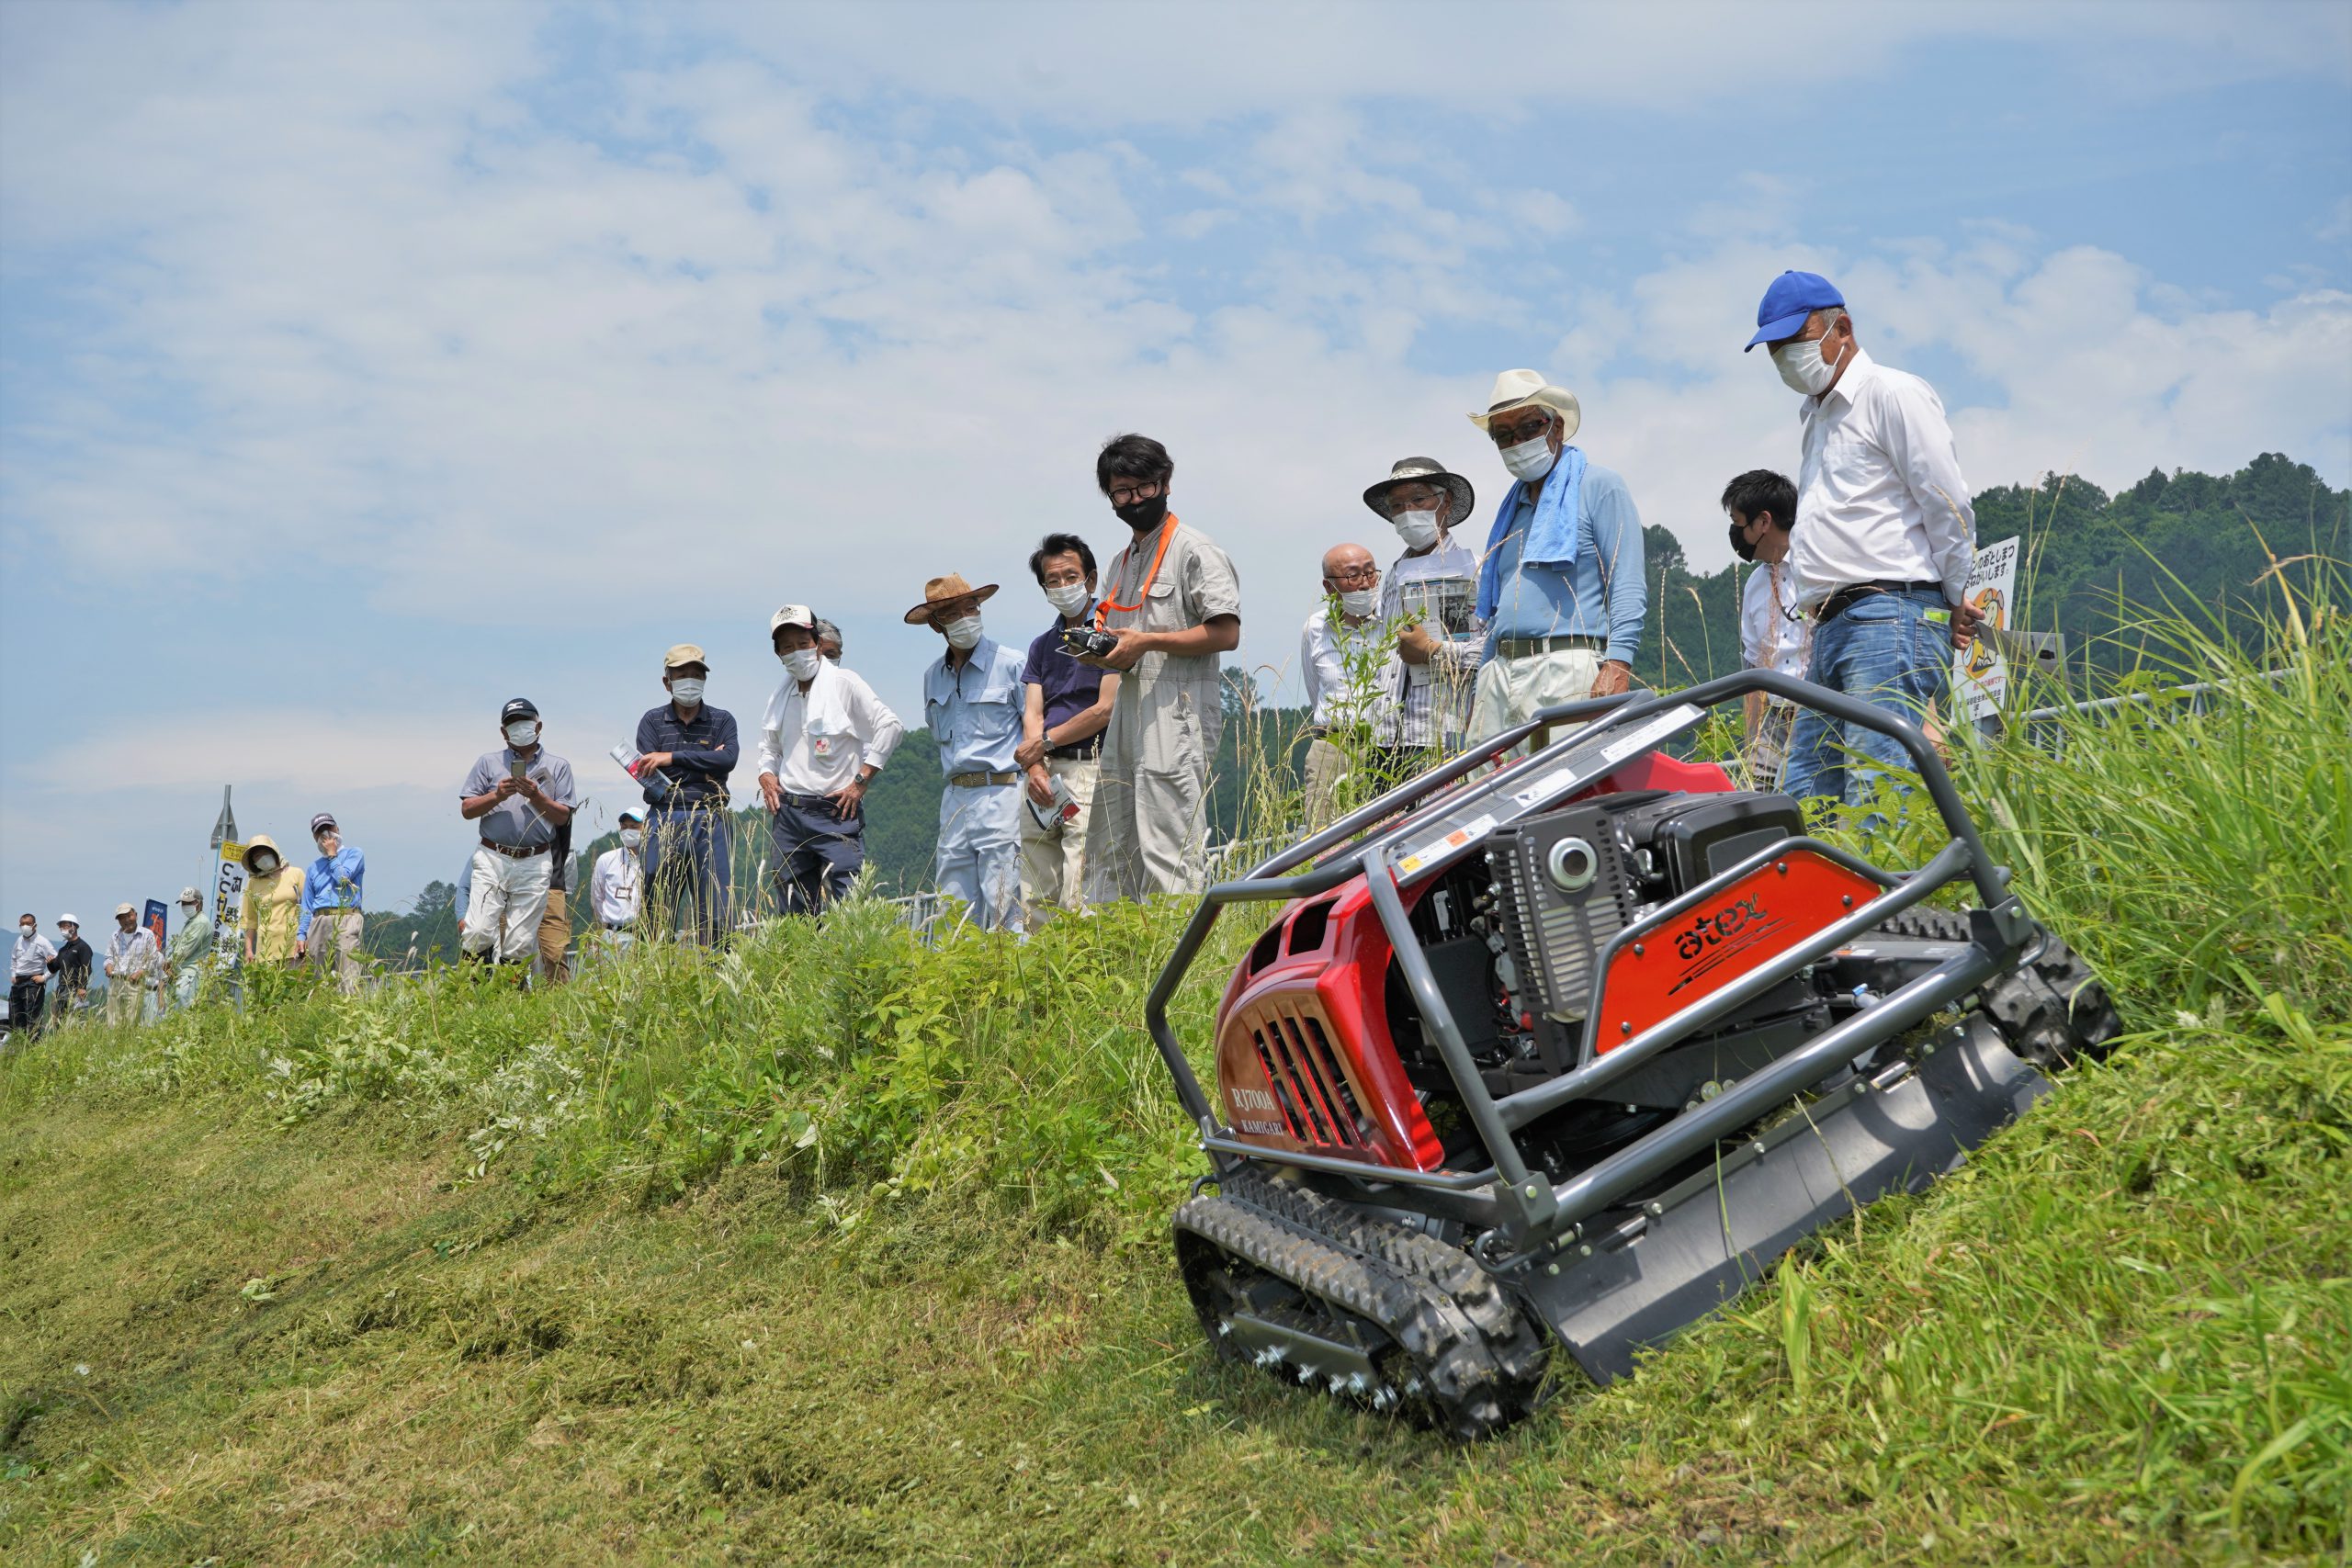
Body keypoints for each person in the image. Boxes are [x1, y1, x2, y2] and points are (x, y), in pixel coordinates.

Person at [1745, 271, 1979, 804]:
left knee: (1878, 789)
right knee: (1808, 798)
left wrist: (1956, 591)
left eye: (1794, 341)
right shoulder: (1817, 418)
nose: (1784, 357)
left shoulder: (1892, 393)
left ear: (1842, 328)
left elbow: (1946, 501)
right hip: (1829, 625)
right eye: (1774, 349)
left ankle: (1902, 887)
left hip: (1889, 613)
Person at [1077, 433, 1242, 900]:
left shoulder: (1195, 550)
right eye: (1120, 492)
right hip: (1127, 705)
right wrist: (1099, 650)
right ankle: (1120, 952)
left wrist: (1148, 641)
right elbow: (1118, 636)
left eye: (1142, 488)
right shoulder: (1119, 562)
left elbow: (1226, 634)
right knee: (1113, 838)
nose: (1132, 500)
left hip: (1177, 707)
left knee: (1169, 841)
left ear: (1165, 483)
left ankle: (1181, 953)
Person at [1464, 370, 1646, 748]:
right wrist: (1484, 680)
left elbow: (1625, 581)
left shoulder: (1598, 486)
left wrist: (1618, 662)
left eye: (1530, 426)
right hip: (1501, 670)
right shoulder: (1511, 509)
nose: (1517, 442)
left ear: (1556, 427)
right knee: (1489, 796)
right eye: (1503, 435)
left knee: (1564, 789)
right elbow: (1500, 607)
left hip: (1566, 664)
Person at [756, 604, 902, 918]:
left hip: (835, 811)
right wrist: (766, 774)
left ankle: (853, 967)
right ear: (778, 654)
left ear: (818, 644)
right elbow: (769, 747)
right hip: (790, 815)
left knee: (850, 909)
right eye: (787, 648)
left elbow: (890, 726)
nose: (796, 652)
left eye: (802, 644)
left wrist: (861, 781)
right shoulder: (780, 696)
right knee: (794, 914)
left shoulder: (844, 683)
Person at [910, 573, 1026, 932]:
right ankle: (963, 984)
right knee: (953, 903)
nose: (965, 617)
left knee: (1005, 898)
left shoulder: (1012, 664)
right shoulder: (933, 677)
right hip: (955, 797)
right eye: (951, 612)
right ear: (935, 625)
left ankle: (1011, 977)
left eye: (970, 607)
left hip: (1003, 789)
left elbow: (1036, 730)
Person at [1015, 534, 1118, 917]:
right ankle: (1043, 967)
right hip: (1045, 773)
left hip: (1091, 766)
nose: (1062, 587)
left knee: (1081, 881)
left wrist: (1039, 746)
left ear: (1090, 580)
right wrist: (1036, 765)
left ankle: (1083, 967)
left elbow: (1104, 709)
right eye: (1052, 581)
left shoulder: (1110, 633)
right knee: (1035, 882)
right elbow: (1033, 711)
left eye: (1070, 576)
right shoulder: (1042, 645)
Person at [1362, 457, 1486, 770]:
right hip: (1385, 737)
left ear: (1445, 502)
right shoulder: (1393, 575)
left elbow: (1492, 651)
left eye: (1417, 499)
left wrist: (1433, 651)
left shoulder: (1476, 569)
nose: (1407, 512)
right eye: (1397, 506)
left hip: (1441, 734)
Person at [458, 697, 578, 972]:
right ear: (503, 732)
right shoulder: (487, 763)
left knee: (520, 941)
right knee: (478, 930)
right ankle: (471, 988)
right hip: (493, 855)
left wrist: (536, 796)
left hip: (536, 859)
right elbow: (467, 808)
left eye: (525, 722)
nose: (519, 728)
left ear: (538, 726)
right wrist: (497, 794)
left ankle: (510, 995)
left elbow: (563, 816)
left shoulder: (558, 766)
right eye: (512, 724)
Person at [635, 645, 741, 945]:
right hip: (664, 815)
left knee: (717, 907)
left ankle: (718, 975)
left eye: (697, 674)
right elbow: (652, 777)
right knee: (656, 903)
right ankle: (653, 976)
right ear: (667, 681)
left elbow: (728, 760)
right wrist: (706, 760)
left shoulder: (722, 720)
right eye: (682, 675)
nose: (690, 681)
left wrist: (670, 757)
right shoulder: (652, 721)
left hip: (710, 817)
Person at [1723, 469, 1813, 789]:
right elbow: (1754, 669)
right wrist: (1753, 746)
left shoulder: (1819, 565)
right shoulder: (1756, 584)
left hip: (1819, 710)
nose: (1735, 533)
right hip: (1774, 719)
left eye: (1737, 523)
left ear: (1763, 522)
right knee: (1755, 797)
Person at [1298, 544, 1383, 829]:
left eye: (1370, 572)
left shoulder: (1394, 622)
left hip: (1387, 748)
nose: (1365, 582)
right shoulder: (1315, 628)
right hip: (1332, 749)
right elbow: (1315, 691)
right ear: (1329, 586)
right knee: (1326, 840)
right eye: (1353, 575)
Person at [297, 813, 366, 993]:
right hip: (319, 920)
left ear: (337, 829)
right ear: (315, 838)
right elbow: (306, 904)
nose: (326, 836)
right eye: (320, 833)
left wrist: (333, 855)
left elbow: (343, 879)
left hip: (347, 916)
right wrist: (301, 934)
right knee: (319, 979)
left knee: (349, 975)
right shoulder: (313, 868)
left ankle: (352, 1011)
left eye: (329, 829)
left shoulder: (354, 853)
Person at [239, 836, 303, 966]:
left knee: (297, 985)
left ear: (274, 852)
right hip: (266, 949)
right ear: (253, 863)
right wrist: (249, 949)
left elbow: (308, 907)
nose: (262, 857)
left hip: (293, 945)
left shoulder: (296, 874)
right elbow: (250, 919)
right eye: (257, 856)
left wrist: (304, 937)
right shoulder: (253, 883)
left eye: (265, 852)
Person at [587, 807, 647, 946]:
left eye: (634, 827)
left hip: (642, 935)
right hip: (612, 934)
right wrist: (607, 922)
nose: (628, 831)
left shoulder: (651, 861)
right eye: (624, 827)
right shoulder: (606, 860)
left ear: (644, 827)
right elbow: (596, 897)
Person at [102, 903, 159, 1027]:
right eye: (122, 918)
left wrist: (140, 972)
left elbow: (153, 958)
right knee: (113, 1020)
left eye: (129, 916)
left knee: (132, 1020)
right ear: (118, 921)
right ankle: (114, 1044)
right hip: (116, 981)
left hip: (135, 983)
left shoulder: (147, 934)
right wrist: (108, 966)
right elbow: (108, 957)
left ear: (136, 915)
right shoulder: (115, 936)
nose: (126, 920)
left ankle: (128, 1043)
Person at [160, 886, 214, 1013]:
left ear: (199, 903)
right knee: (176, 1011)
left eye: (189, 903)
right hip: (182, 973)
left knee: (186, 1012)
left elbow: (186, 949)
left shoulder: (201, 922)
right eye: (183, 903)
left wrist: (169, 961)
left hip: (191, 974)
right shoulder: (192, 921)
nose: (185, 906)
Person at [538, 818, 575, 984]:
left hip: (552, 885)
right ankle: (517, 998)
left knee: (555, 954)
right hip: (512, 884)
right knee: (513, 952)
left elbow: (564, 847)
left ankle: (559, 999)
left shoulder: (556, 802)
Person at [11, 913, 55, 1040]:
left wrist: (45, 977)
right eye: (22, 924)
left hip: (33, 982)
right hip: (18, 982)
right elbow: (14, 958)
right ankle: (18, 1046)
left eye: (28, 924)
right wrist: (14, 974)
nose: (25, 926)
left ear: (35, 925)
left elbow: (56, 962)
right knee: (15, 1017)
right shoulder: (19, 940)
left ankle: (34, 1047)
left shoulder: (43, 942)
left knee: (32, 1018)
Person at [47, 916, 93, 1026]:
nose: (63, 929)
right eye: (61, 927)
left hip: (75, 988)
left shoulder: (83, 947)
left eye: (66, 926)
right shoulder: (63, 949)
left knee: (75, 1020)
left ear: (74, 927)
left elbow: (86, 968)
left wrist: (82, 987)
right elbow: (54, 968)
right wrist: (49, 963)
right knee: (59, 1020)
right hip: (61, 988)